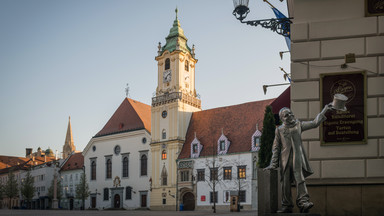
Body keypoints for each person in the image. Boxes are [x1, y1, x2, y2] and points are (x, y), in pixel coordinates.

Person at [264, 104, 332, 213]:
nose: (290, 116)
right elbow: (276, 147)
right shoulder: (279, 130)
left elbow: (314, 123)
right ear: (282, 119)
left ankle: (304, 202)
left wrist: (324, 110)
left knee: (300, 179)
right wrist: (273, 163)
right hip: (284, 160)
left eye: (291, 113)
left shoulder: (299, 125)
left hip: (298, 158)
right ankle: (286, 205)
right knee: (285, 183)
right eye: (287, 115)